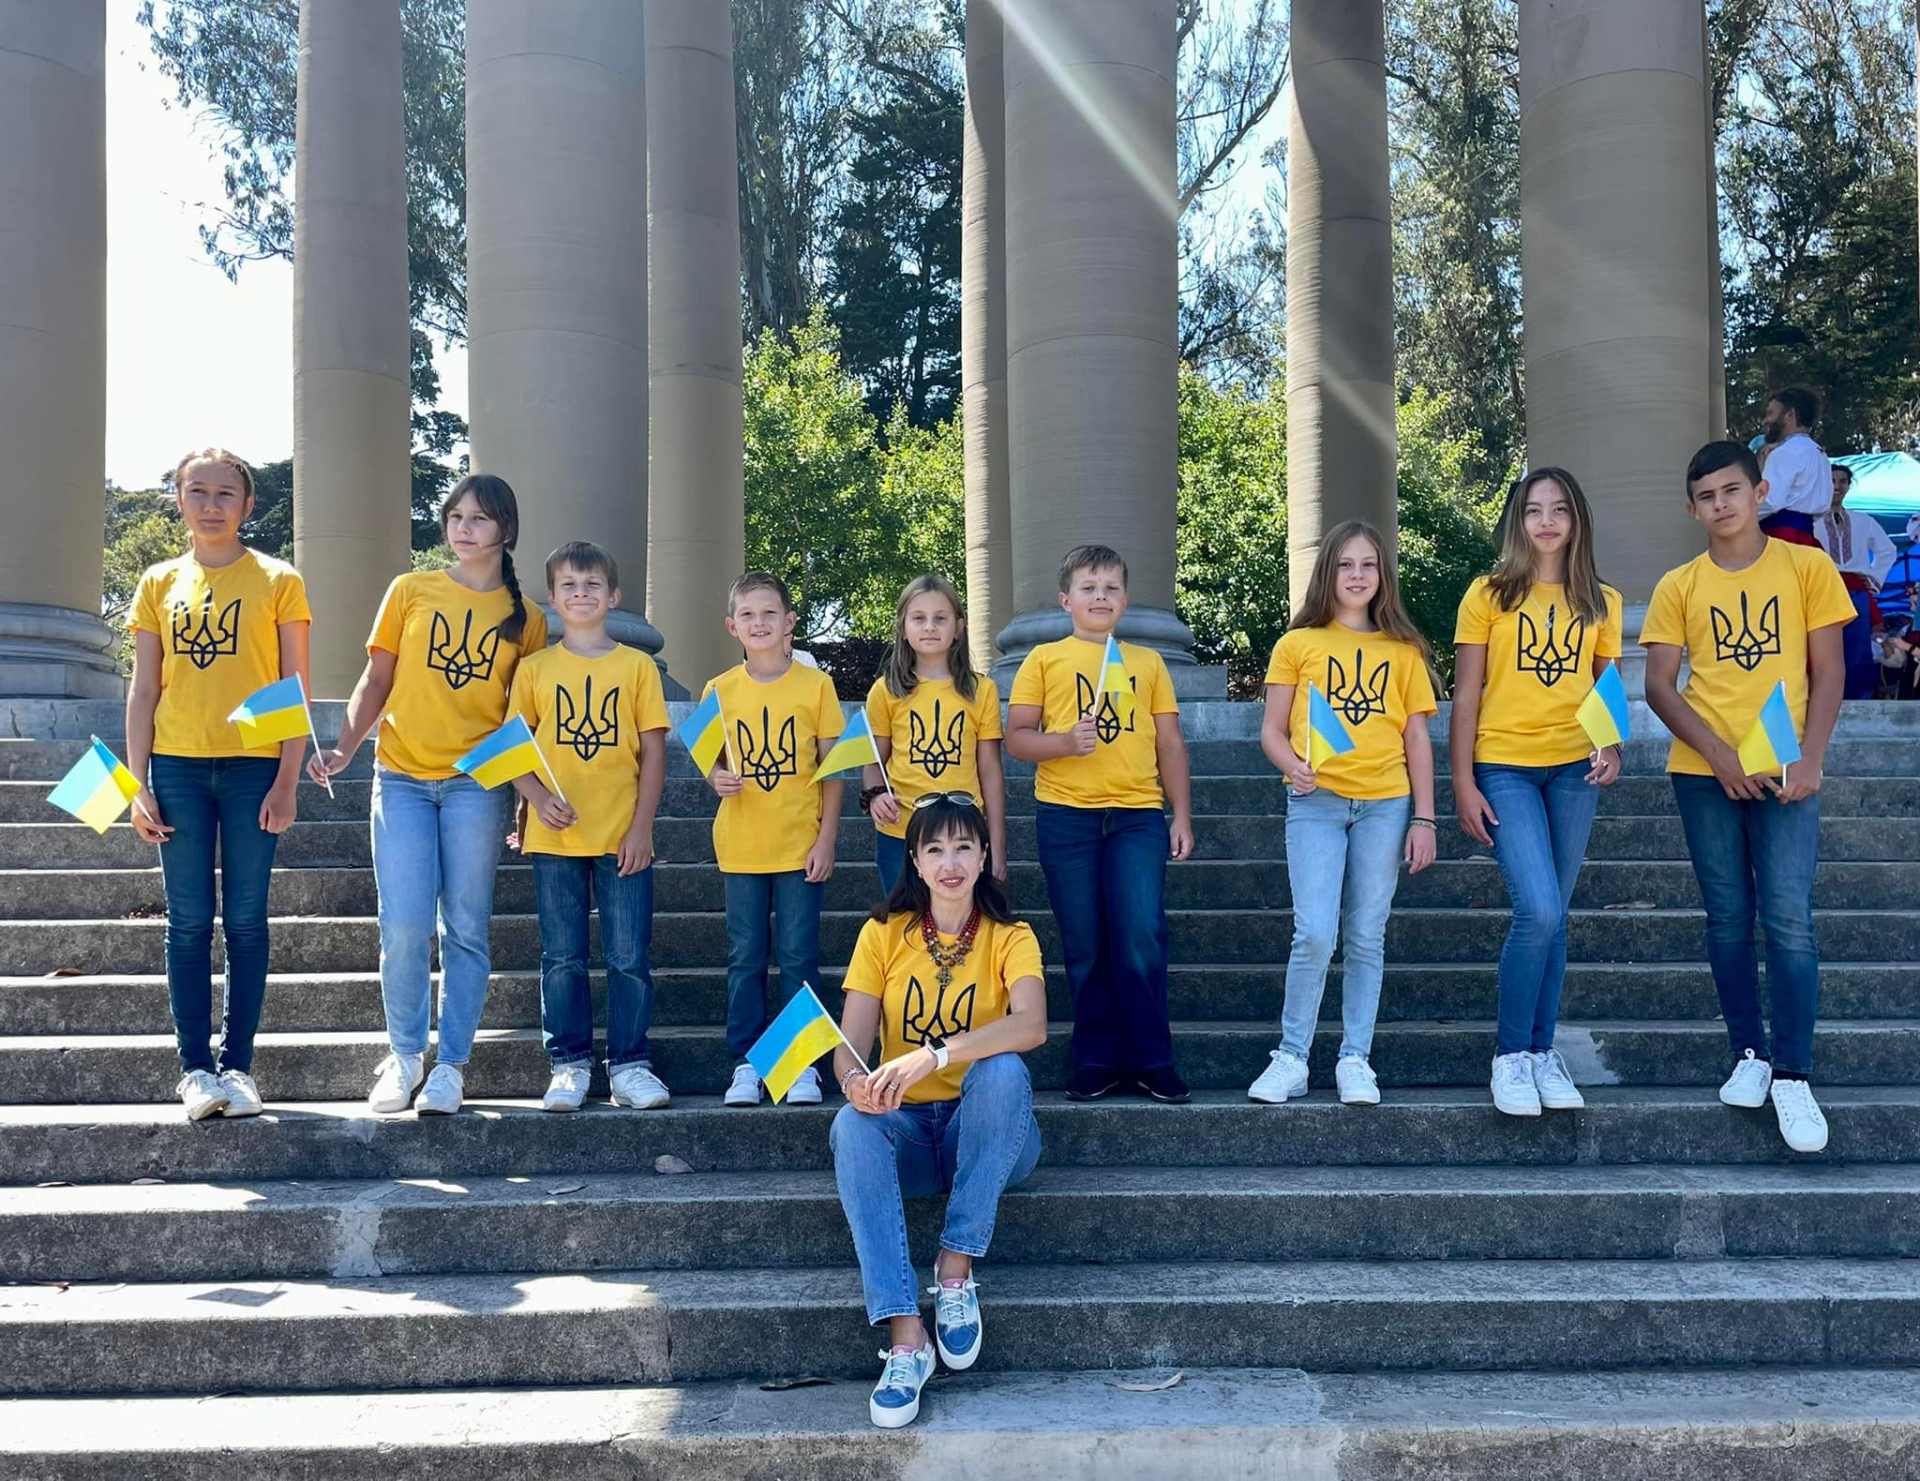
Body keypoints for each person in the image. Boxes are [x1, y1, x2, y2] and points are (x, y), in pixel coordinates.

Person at [308, 475, 547, 1116]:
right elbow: (376, 677)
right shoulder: (410, 590)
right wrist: (345, 746)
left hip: (476, 785)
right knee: (406, 926)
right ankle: (406, 1054)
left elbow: (523, 722)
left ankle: (451, 1066)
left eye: (479, 518)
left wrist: (526, 803)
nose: (463, 527)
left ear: (506, 530)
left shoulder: (529, 620)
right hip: (402, 778)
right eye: (455, 516)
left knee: (466, 928)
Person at [1643, 441, 1853, 1154]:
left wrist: (1813, 756)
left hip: (1786, 766)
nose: (1721, 504)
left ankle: (1793, 1072)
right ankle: (1749, 1054)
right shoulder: (1680, 585)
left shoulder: (1807, 568)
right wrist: (1720, 755)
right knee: (1728, 916)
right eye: (1706, 496)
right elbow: (1659, 686)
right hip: (1704, 771)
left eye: (1732, 490)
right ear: (1692, 506)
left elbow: (1827, 671)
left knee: (1789, 918)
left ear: (1760, 491)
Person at [828, 795, 1047, 1429]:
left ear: (984, 857)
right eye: (934, 849)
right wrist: (854, 1084)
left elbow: (1031, 1025)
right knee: (850, 1126)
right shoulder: (882, 935)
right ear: (916, 864)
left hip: (992, 1132)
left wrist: (932, 1056)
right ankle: (906, 1336)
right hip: (911, 1136)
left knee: (1003, 1068)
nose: (949, 862)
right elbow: (850, 1047)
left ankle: (955, 1269)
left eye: (962, 848)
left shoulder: (1012, 937)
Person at [126, 448, 312, 1121]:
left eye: (225, 493)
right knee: (187, 921)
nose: (211, 504)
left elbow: (293, 690)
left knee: (245, 919)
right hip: (176, 766)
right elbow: (145, 687)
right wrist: (135, 782)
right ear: (178, 498)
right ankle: (195, 1069)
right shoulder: (157, 582)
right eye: (196, 490)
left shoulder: (278, 579)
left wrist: (288, 778)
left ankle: (239, 1066)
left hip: (253, 769)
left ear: (247, 505)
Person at [1247, 520, 1439, 1108]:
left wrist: (1425, 819)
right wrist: (1292, 766)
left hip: (1385, 804)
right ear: (1327, 572)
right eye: (1346, 565)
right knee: (1315, 931)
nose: (1357, 576)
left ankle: (1355, 1057)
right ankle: (1292, 1057)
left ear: (1384, 576)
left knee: (1365, 933)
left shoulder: (1403, 652)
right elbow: (1272, 732)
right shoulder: (1297, 645)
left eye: (1369, 565)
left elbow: (1416, 741)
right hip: (1316, 802)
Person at [1450, 471, 1624, 1117]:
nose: (1546, 521)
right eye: (1532, 510)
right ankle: (1510, 1056)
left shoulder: (1600, 600)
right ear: (1515, 521)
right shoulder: (1488, 595)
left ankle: (1542, 1051)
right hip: (1505, 767)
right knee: (1540, 911)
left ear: (1576, 520)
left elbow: (1605, 689)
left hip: (1574, 770)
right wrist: (1463, 779)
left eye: (1558, 510)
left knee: (1556, 917)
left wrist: (1611, 747)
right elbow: (1467, 691)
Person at [1005, 544, 1194, 1104]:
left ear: (1126, 600)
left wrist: (1179, 814)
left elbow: (1169, 741)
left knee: (1140, 935)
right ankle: (1095, 1057)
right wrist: (1063, 743)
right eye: (1088, 587)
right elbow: (1017, 736)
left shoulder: (1147, 663)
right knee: (1084, 942)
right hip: (1067, 817)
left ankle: (1151, 1058)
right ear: (1067, 600)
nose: (1100, 596)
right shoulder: (1043, 660)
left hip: (1137, 815)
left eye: (1111, 588)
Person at [506, 541, 670, 1113]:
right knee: (562, 957)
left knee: (629, 956)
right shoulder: (534, 669)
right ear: (552, 598)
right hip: (555, 839)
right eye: (569, 585)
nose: (581, 594)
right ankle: (569, 1063)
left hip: (622, 834)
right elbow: (512, 752)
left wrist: (642, 828)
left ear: (614, 595)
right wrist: (535, 798)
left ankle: (629, 1063)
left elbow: (654, 753)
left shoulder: (636, 667)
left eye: (593, 584)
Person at [703, 571, 843, 1107]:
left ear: (789, 622)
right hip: (740, 845)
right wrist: (717, 778)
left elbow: (833, 770)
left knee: (798, 956)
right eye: (748, 615)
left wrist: (827, 838)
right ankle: (748, 1063)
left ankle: (799, 1064)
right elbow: (710, 762)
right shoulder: (719, 690)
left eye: (769, 613)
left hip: (799, 843)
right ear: (731, 625)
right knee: (745, 957)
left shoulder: (817, 687)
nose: (759, 623)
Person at [862, 574, 1007, 892]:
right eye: (919, 618)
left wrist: (996, 845)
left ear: (958, 627)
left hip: (964, 835)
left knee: (962, 927)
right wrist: (875, 797)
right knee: (906, 925)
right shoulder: (885, 691)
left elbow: (990, 770)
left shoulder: (982, 691)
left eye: (940, 618)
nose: (929, 627)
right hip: (900, 834)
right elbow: (873, 761)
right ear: (903, 626)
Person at [1815, 462, 1897, 700]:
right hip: (1823, 590)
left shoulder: (1862, 520)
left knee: (1858, 650)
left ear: (1849, 486)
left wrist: (1873, 578)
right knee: (1825, 648)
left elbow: (1887, 550)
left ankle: (1858, 700)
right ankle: (1825, 701)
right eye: (1832, 481)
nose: (1837, 487)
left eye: (1842, 482)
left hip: (1856, 592)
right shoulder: (1811, 522)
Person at [1755, 388, 1832, 547]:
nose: (1765, 421)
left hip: (1779, 537)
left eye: (1770, 413)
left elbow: (1769, 501)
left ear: (1790, 415)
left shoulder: (1784, 452)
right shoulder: (1820, 455)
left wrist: (1741, 517)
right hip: (1807, 538)